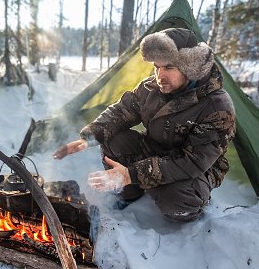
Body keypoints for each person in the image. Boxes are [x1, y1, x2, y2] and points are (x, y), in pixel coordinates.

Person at [53, 28, 236, 221]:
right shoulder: (151, 87)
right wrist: (88, 138)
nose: (160, 75)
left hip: (196, 169)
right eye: (157, 67)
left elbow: (192, 161)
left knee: (177, 201)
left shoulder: (217, 107)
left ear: (190, 67)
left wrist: (131, 174)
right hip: (155, 149)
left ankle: (186, 205)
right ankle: (130, 193)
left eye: (168, 67)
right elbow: (121, 111)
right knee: (112, 140)